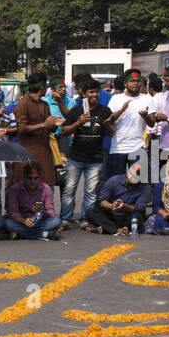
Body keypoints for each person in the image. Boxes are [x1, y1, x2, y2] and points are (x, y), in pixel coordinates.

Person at [60, 79, 112, 227]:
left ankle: (86, 220)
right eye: (91, 92)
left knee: (91, 193)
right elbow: (64, 131)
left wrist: (108, 125)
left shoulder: (105, 111)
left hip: (95, 159)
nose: (94, 95)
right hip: (76, 157)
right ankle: (65, 219)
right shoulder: (76, 111)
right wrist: (78, 123)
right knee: (69, 190)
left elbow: (112, 132)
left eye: (97, 92)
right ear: (85, 93)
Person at [103, 70, 152, 185]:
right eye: (132, 81)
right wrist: (122, 110)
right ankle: (117, 203)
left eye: (138, 81)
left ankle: (135, 203)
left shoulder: (147, 99)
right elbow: (110, 121)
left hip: (138, 146)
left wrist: (146, 117)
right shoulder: (116, 99)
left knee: (138, 181)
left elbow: (152, 123)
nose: (135, 84)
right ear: (125, 84)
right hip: (118, 147)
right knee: (116, 182)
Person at [84, 163, 151, 235]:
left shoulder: (146, 187)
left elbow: (139, 207)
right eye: (129, 173)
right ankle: (118, 230)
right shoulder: (114, 180)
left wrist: (125, 207)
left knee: (139, 217)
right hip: (112, 215)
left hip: (128, 216)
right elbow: (101, 200)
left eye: (133, 177)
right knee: (90, 212)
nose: (129, 177)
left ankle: (108, 229)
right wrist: (112, 206)